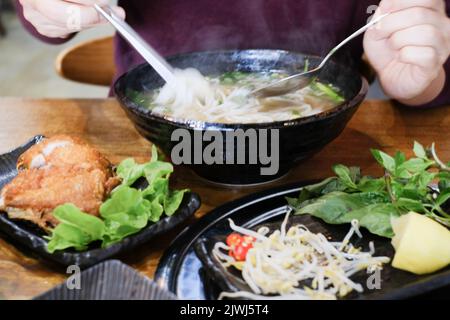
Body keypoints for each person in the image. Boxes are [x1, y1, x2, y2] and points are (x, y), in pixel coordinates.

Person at [16, 0, 450, 107]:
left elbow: (430, 71)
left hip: (322, 156)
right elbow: (44, 20)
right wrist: (51, 9)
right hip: (152, 146)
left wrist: (421, 78)